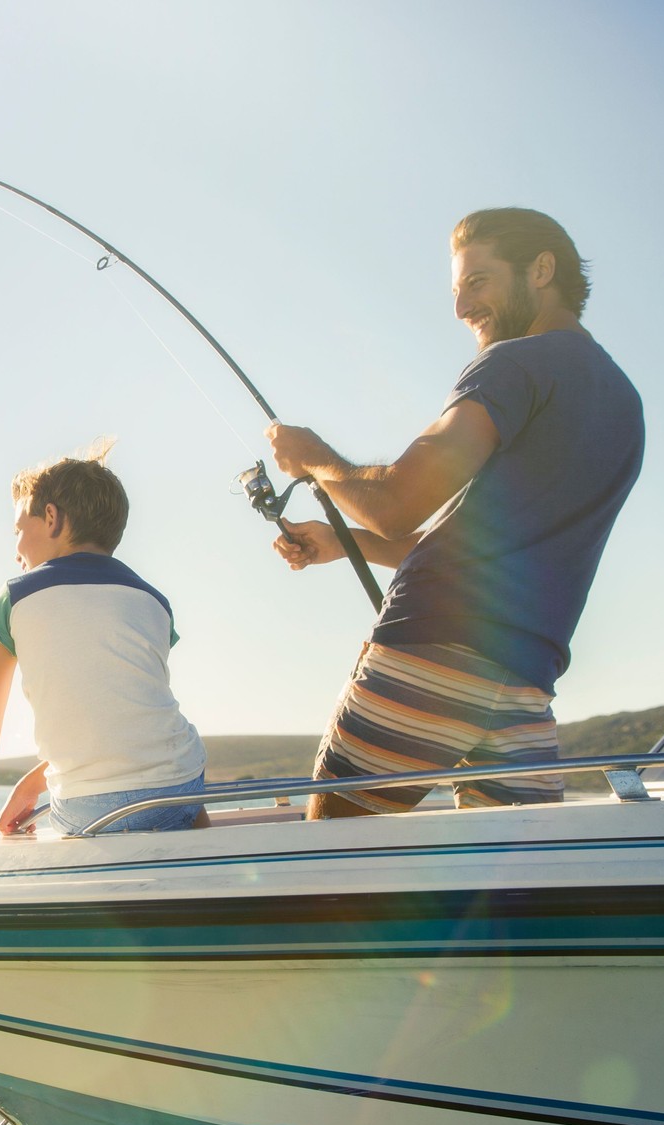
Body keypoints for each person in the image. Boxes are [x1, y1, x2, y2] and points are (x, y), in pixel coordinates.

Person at [267, 207, 644, 819]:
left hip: (432, 651)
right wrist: (343, 543)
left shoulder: (515, 365)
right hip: (525, 685)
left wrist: (313, 459)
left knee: (334, 865)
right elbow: (498, 546)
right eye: (456, 289)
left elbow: (395, 503)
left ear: (541, 270)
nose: (461, 308)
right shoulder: (624, 404)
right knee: (508, 892)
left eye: (478, 282)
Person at [0, 443, 207, 840]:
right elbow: (125, 715)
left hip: (87, 808)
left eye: (19, 530)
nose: (16, 547)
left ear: (51, 518)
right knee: (178, 774)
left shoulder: (16, 597)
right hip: (182, 789)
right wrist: (32, 782)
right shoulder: (154, 600)